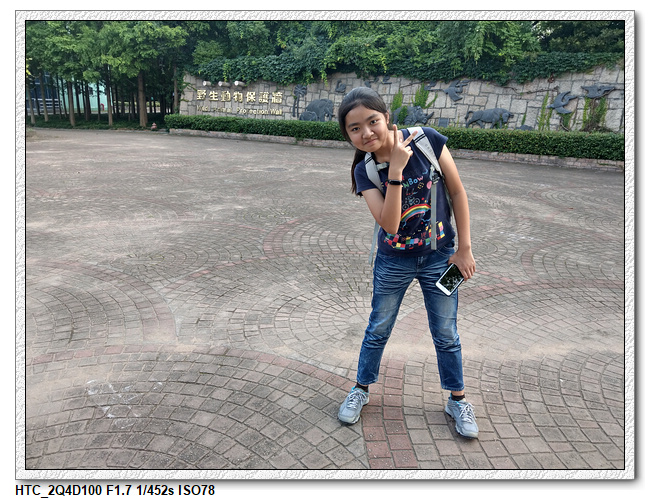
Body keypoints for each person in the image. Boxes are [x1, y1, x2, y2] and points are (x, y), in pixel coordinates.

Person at [336, 87, 478, 439]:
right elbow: (390, 224)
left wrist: (464, 248)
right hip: (393, 261)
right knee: (378, 327)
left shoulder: (427, 141)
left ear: (387, 118)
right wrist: (396, 170)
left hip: (439, 257)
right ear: (348, 135)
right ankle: (361, 389)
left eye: (372, 121)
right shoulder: (366, 171)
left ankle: (457, 400)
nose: (366, 133)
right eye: (355, 128)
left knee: (446, 331)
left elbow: (458, 192)